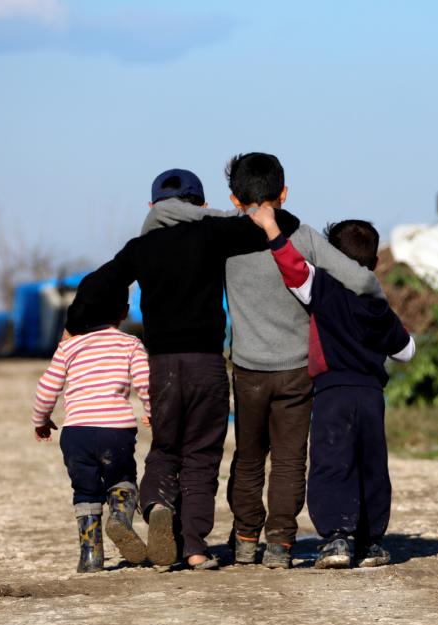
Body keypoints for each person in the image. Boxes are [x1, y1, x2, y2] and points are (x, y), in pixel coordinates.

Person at [149, 154, 387, 569]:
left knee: (249, 456)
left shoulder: (223, 234)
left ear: (232, 198)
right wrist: (379, 308)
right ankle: (280, 544)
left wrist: (167, 213)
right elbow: (362, 280)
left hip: (247, 369)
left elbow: (180, 216)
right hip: (297, 371)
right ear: (284, 193)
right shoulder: (305, 236)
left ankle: (244, 540)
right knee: (291, 459)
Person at [64, 169, 299, 569]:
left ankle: (157, 504)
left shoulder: (141, 247)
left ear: (153, 207)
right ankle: (193, 547)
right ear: (201, 205)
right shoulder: (212, 233)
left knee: (166, 448)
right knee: (202, 455)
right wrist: (226, 215)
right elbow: (282, 223)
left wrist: (72, 327)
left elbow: (98, 283)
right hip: (206, 364)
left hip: (162, 367)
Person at [248, 207, 415, 568]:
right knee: (371, 465)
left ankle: (337, 539)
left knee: (332, 462)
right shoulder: (376, 304)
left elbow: (293, 269)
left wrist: (272, 230)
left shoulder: (323, 289)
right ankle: (372, 544)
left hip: (331, 392)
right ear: (372, 261)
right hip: (371, 395)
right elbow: (406, 350)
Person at [32, 298, 151, 573]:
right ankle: (120, 518)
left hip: (76, 435)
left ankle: (90, 556)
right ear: (123, 313)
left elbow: (46, 388)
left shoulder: (69, 346)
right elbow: (145, 382)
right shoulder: (130, 343)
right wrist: (152, 411)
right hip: (116, 432)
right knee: (122, 478)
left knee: (85, 491)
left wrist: (40, 420)